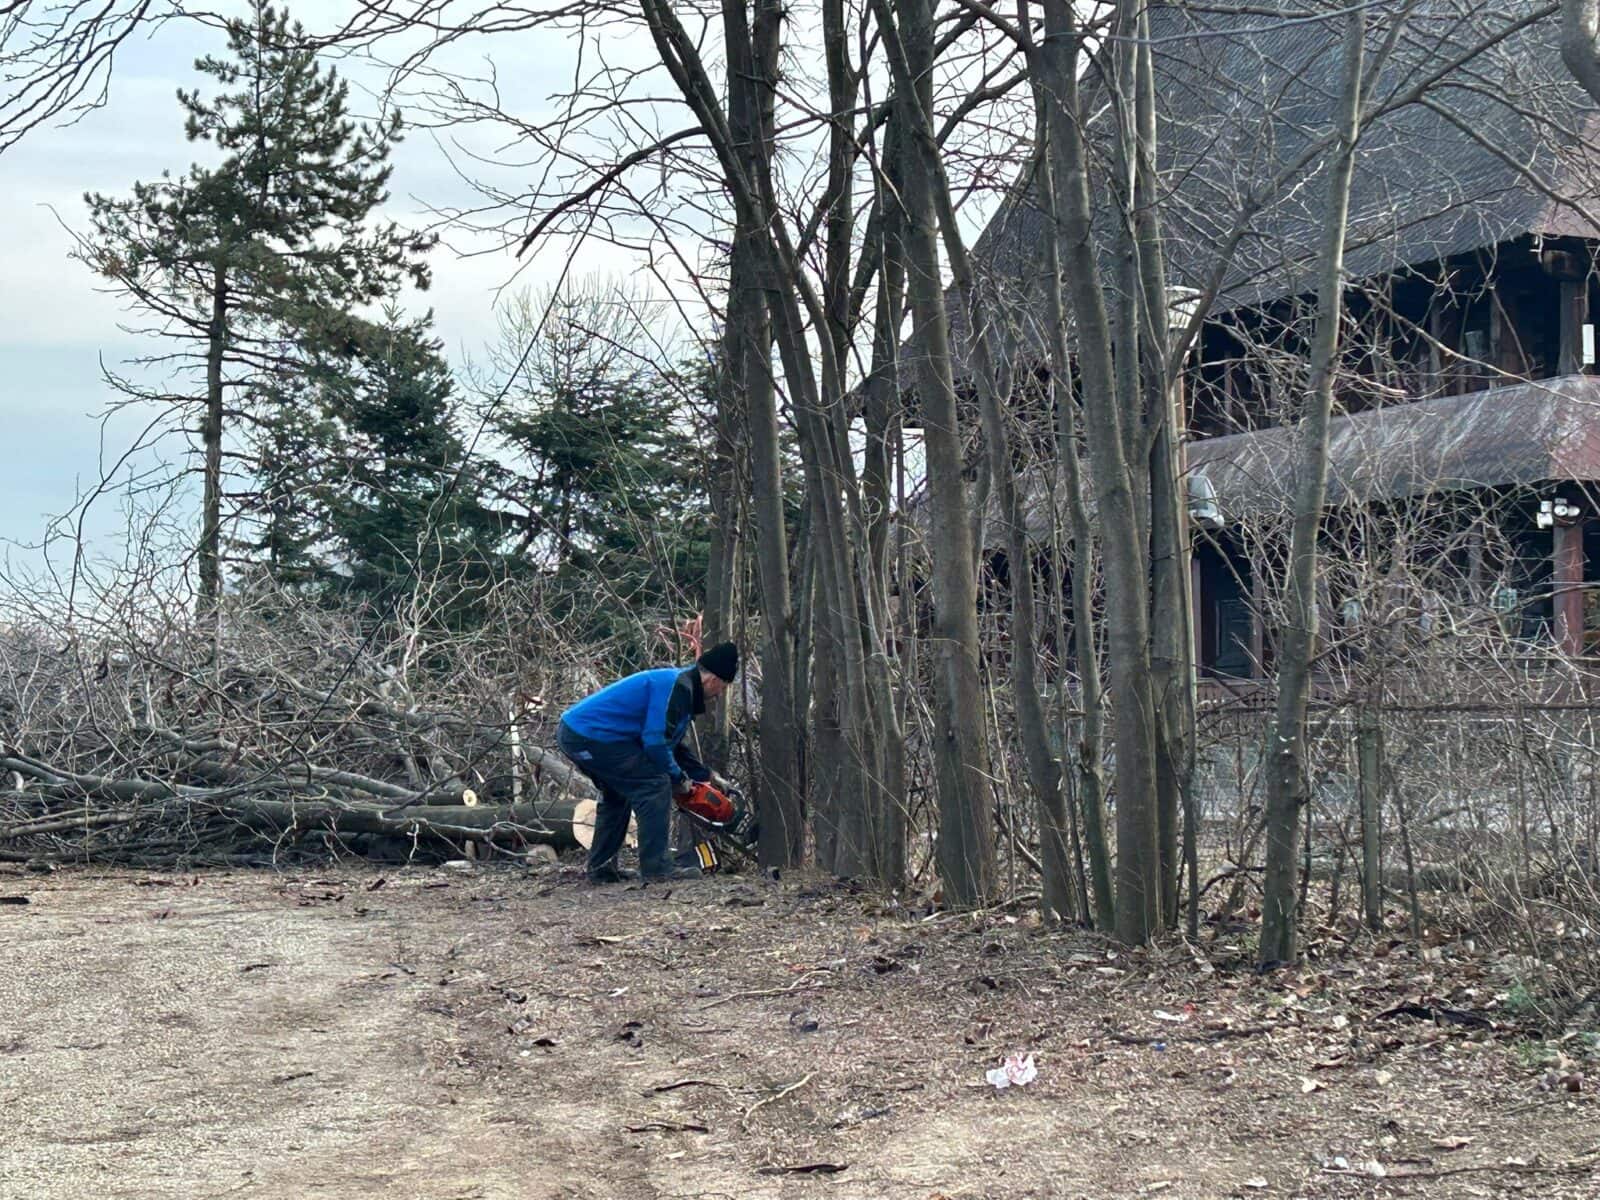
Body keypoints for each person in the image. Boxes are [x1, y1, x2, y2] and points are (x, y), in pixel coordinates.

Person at [556, 642, 738, 883]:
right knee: (654, 785)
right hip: (590, 736)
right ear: (713, 680)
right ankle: (658, 869)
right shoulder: (677, 688)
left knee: (618, 795)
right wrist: (678, 779)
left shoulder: (680, 685)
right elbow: (655, 742)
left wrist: (706, 775)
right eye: (723, 687)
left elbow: (672, 744)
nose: (719, 694)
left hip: (579, 734)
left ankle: (601, 869)